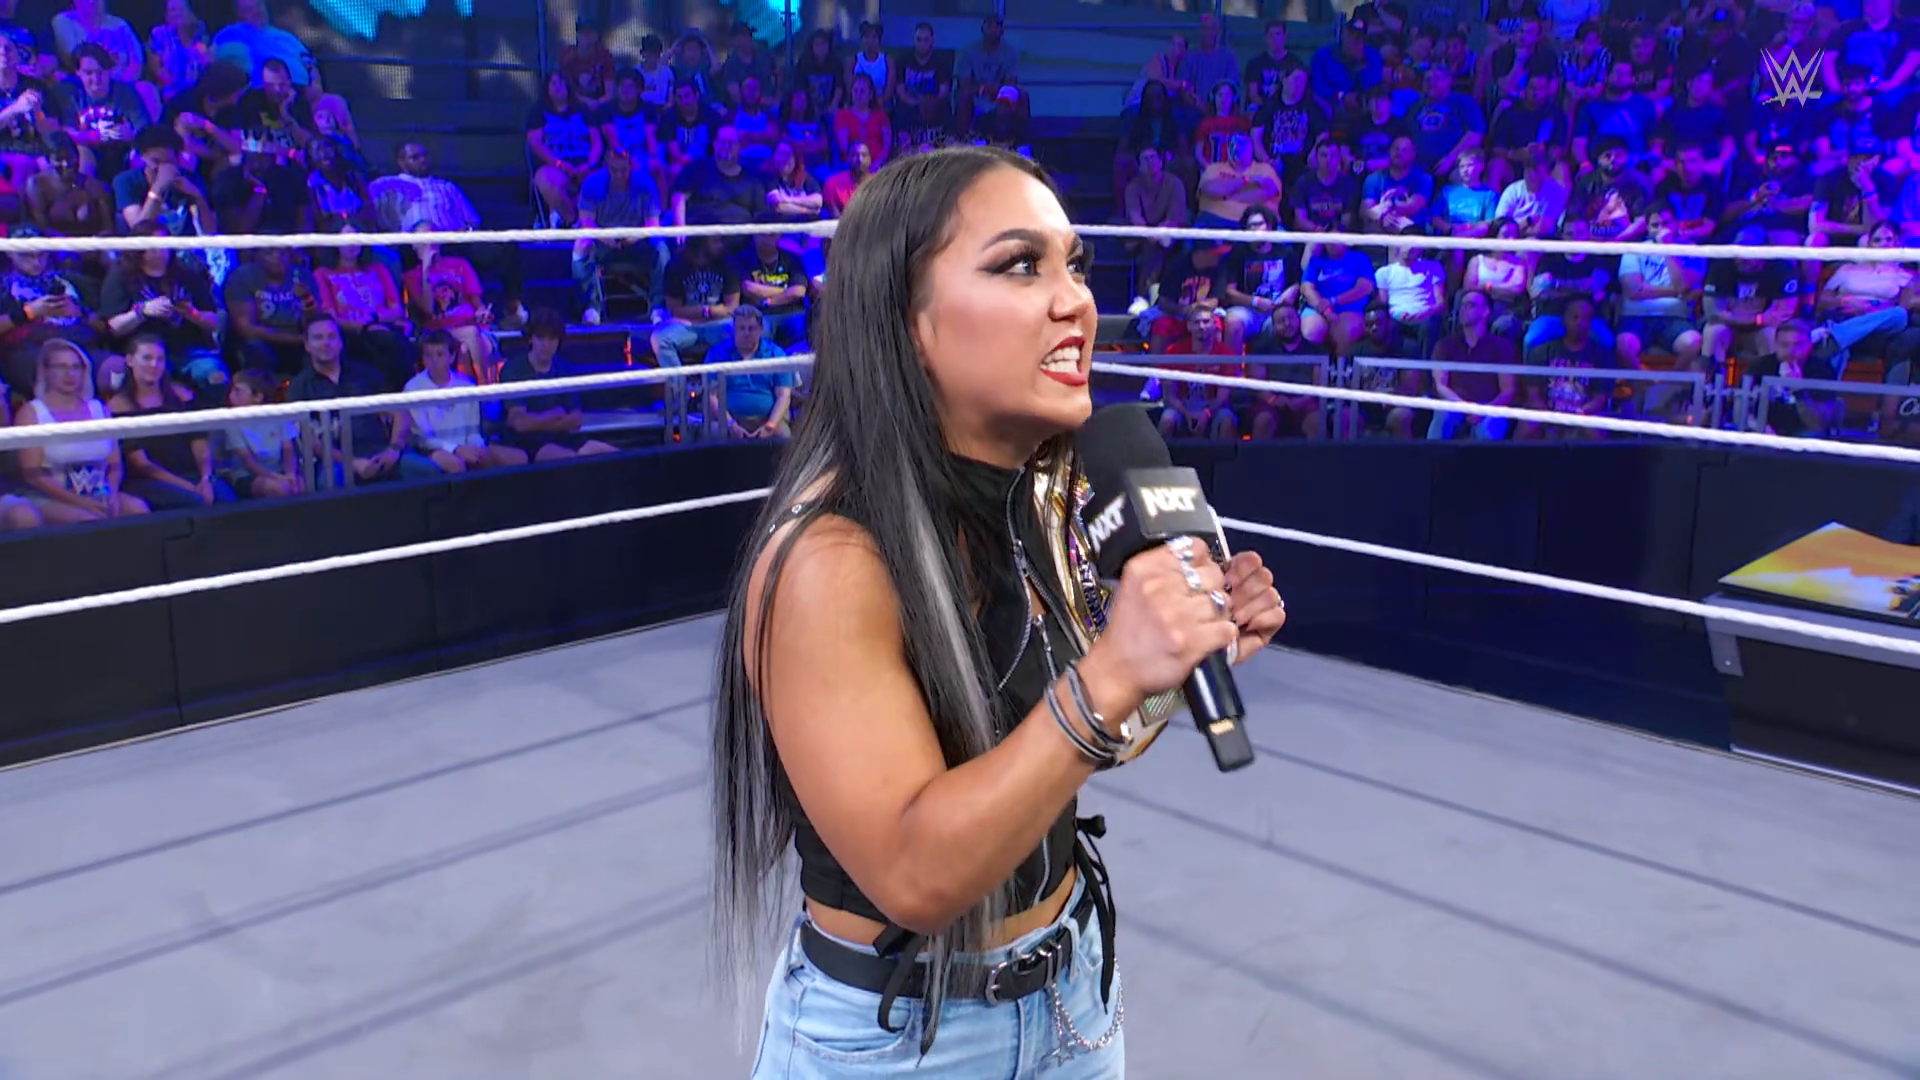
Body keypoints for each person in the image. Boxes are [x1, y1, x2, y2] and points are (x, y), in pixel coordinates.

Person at [710, 146, 1286, 1076]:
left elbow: (1066, 752)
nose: (1075, 302)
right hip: (897, 1040)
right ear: (907, 323)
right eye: (1021, 265)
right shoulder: (829, 560)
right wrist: (1109, 676)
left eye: (1075, 265)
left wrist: (1166, 669)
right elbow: (916, 873)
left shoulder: (1044, 497)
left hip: (1072, 988)